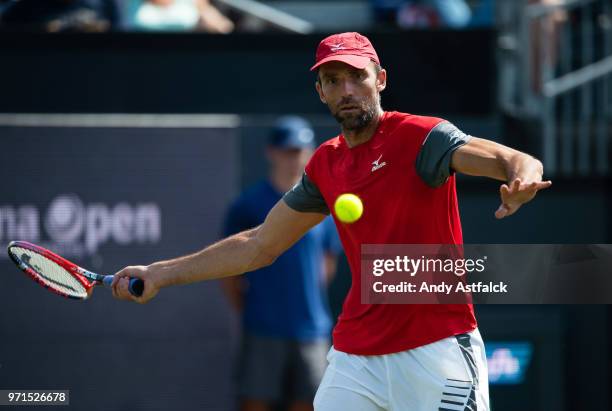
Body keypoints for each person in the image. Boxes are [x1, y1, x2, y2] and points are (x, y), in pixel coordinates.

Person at [112, 32, 552, 410]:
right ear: (320, 92)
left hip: (437, 346)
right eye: (332, 80)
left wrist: (522, 179)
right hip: (356, 357)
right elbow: (259, 245)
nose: (346, 90)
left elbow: (509, 158)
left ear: (379, 80)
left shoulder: (422, 137)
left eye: (356, 77)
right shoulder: (325, 165)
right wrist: (160, 274)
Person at [221, 116, 341, 411]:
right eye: (288, 150)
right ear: (271, 152)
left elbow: (327, 263)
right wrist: (256, 307)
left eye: (301, 150)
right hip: (263, 327)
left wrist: (303, 299)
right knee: (255, 401)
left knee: (310, 402)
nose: (295, 158)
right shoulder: (247, 205)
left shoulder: (323, 204)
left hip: (312, 330)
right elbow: (228, 272)